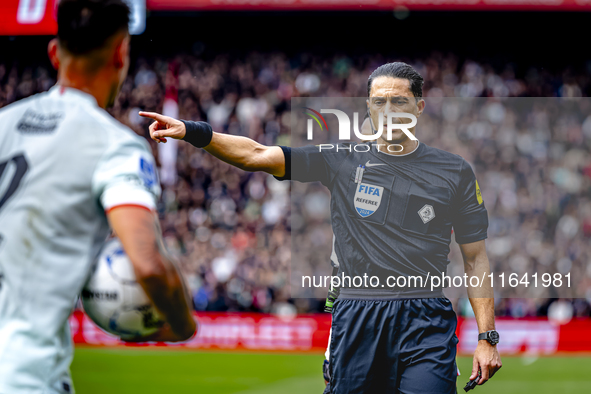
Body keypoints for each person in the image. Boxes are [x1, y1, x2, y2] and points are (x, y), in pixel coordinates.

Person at [139, 61, 502, 393]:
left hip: (425, 320)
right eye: (379, 102)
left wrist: (487, 336)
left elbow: (476, 259)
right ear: (369, 109)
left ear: (419, 107)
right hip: (358, 314)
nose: (388, 111)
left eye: (399, 102)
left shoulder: (454, 171)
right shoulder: (340, 159)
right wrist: (192, 132)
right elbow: (256, 155)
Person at [0, 1, 196, 393]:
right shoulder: (114, 144)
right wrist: (181, 325)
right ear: (121, 53)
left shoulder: (4, 123)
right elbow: (149, 264)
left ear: (55, 52)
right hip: (24, 374)